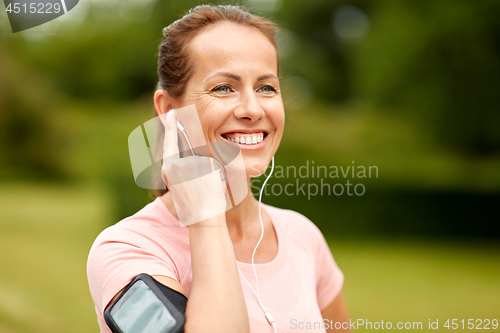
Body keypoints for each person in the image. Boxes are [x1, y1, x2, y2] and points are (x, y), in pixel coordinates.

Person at [87, 4, 350, 333]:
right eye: (223, 87)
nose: (252, 109)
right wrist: (206, 220)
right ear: (169, 110)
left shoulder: (303, 237)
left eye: (266, 87)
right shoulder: (126, 249)